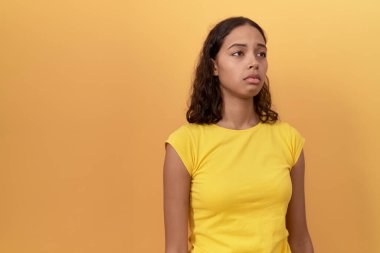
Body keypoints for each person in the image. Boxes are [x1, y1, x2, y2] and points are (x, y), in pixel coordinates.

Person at [163, 16, 314, 253]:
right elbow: (175, 247)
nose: (254, 62)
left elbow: (300, 238)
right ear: (214, 66)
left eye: (261, 54)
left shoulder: (289, 140)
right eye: (238, 53)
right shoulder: (184, 144)